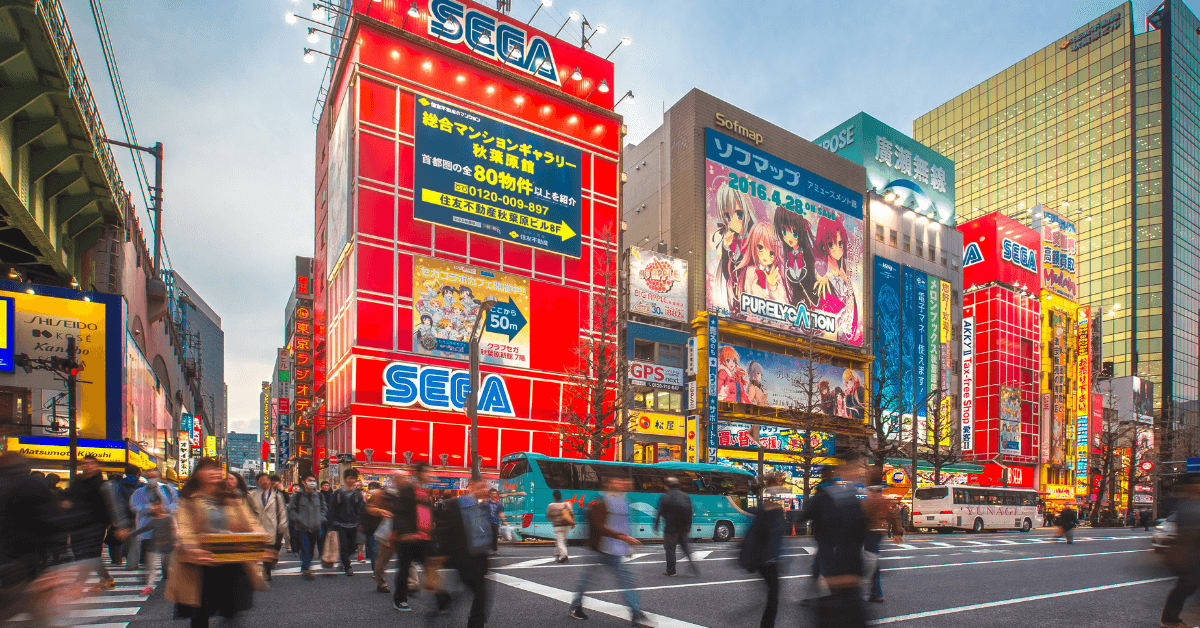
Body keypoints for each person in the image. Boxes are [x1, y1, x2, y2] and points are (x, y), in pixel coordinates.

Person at [166, 458, 267, 628]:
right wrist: (191, 546)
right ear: (198, 474)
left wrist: (261, 539)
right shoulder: (189, 499)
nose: (214, 472)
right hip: (201, 562)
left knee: (232, 610)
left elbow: (250, 521)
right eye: (208, 469)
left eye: (216, 469)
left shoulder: (231, 497)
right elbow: (184, 526)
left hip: (231, 559)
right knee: (200, 612)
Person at [569, 475, 654, 626]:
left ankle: (636, 613)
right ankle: (576, 606)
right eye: (617, 481)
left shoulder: (624, 501)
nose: (622, 483)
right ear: (608, 484)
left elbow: (622, 525)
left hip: (614, 550)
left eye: (622, 481)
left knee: (625, 581)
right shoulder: (601, 502)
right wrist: (624, 539)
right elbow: (600, 527)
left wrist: (625, 544)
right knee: (588, 580)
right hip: (599, 549)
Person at [799, 452, 868, 625]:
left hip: (831, 546)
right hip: (848, 561)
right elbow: (861, 531)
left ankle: (821, 593)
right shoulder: (846, 496)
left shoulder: (823, 493)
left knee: (825, 569)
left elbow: (805, 514)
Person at [0, 452, 64, 625]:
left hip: (11, 564)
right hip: (25, 565)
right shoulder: (32, 487)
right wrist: (52, 564)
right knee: (40, 615)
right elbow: (49, 525)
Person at [432, 478, 493, 627]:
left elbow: (483, 530)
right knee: (480, 592)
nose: (482, 490)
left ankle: (446, 602)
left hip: (478, 557)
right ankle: (473, 623)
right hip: (462, 556)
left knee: (474, 591)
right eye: (479, 487)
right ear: (470, 487)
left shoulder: (482, 506)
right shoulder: (456, 504)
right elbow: (443, 529)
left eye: (484, 487)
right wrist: (442, 553)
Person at [65, 455, 121, 591]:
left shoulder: (103, 484)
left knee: (90, 552)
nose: (87, 466)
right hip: (77, 523)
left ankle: (79, 583)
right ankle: (107, 579)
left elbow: (112, 504)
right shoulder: (77, 481)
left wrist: (117, 524)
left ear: (97, 466)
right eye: (85, 463)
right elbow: (69, 497)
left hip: (97, 523)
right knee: (80, 552)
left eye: (90, 463)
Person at [739, 472, 786, 628]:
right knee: (773, 595)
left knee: (772, 593)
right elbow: (773, 535)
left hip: (762, 558)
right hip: (768, 559)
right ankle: (766, 625)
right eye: (779, 483)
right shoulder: (774, 508)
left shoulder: (764, 507)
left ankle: (766, 624)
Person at [392, 463, 435, 610]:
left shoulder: (425, 491)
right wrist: (405, 533)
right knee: (404, 569)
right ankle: (400, 599)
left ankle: (442, 598)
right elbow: (399, 513)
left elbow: (427, 512)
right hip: (409, 537)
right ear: (419, 473)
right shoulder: (407, 490)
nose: (430, 475)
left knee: (430, 566)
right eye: (427, 472)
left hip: (424, 537)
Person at [1162, 473, 1200, 627]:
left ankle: (1170, 619)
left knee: (1186, 586)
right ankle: (1169, 619)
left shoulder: (1188, 503)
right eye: (1195, 484)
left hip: (1190, 552)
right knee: (1186, 585)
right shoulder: (1186, 505)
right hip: (1190, 552)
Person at [129, 466, 178, 579]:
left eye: (154, 476)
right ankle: (148, 576)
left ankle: (166, 575)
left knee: (166, 557)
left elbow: (176, 504)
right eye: (149, 477)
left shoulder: (168, 490)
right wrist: (148, 508)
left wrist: (164, 509)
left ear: (159, 477)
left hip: (165, 529)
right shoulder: (139, 492)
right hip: (147, 528)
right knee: (148, 556)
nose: (152, 479)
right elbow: (134, 506)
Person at [863, 471, 902, 603]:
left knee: (871, 561)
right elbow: (894, 515)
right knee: (873, 560)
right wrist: (897, 532)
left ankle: (875, 592)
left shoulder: (870, 500)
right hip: (880, 532)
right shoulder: (885, 501)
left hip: (870, 532)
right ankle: (875, 591)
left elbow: (861, 516)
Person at [130, 494, 176, 596]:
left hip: (167, 546)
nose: (151, 508)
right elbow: (144, 529)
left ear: (160, 506)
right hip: (154, 546)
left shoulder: (169, 518)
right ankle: (149, 587)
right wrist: (131, 534)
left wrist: (176, 542)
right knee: (151, 568)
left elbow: (175, 530)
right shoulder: (154, 520)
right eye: (151, 506)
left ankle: (174, 588)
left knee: (170, 568)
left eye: (154, 505)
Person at [366, 473, 403, 593]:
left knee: (407, 557)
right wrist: (381, 511)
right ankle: (381, 583)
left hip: (402, 530)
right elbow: (370, 508)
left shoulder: (406, 493)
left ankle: (412, 584)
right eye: (398, 478)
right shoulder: (382, 494)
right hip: (386, 529)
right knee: (383, 559)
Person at [248, 472, 288, 581]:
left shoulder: (276, 496)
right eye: (262, 480)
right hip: (256, 527)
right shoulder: (251, 495)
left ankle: (267, 570)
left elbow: (282, 512)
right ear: (257, 482)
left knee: (269, 550)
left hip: (271, 526)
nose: (265, 482)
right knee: (255, 550)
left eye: (267, 479)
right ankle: (254, 571)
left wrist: (282, 525)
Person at [654, 477, 697, 577]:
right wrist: (688, 526)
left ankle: (671, 571)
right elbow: (690, 512)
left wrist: (657, 525)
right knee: (685, 548)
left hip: (671, 528)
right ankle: (692, 564)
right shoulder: (686, 496)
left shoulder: (665, 496)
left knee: (670, 549)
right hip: (683, 528)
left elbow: (661, 512)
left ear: (666, 486)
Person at [288, 474, 326, 580]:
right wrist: (298, 518)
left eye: (314, 480)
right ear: (304, 482)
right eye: (310, 480)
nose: (312, 482)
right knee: (305, 548)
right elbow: (291, 510)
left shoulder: (319, 496)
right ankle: (306, 567)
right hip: (302, 528)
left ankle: (305, 566)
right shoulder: (297, 496)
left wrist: (321, 518)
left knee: (311, 549)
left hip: (315, 527)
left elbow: (324, 509)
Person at [328, 468, 365, 576]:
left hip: (354, 524)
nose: (351, 480)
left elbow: (361, 509)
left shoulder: (357, 494)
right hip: (340, 524)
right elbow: (332, 509)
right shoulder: (338, 493)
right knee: (343, 546)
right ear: (345, 479)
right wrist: (331, 525)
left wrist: (361, 522)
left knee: (352, 547)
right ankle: (347, 566)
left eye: (353, 478)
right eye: (349, 478)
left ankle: (345, 559)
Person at [546, 489, 575, 563]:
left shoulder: (551, 506)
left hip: (557, 526)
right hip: (565, 525)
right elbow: (572, 513)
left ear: (554, 497)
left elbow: (548, 516)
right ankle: (558, 554)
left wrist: (553, 518)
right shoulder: (566, 504)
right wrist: (573, 523)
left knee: (560, 541)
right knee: (561, 541)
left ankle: (564, 556)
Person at [487, 488, 507, 554]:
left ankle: (494, 550)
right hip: (487, 522)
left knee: (495, 536)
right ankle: (489, 549)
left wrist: (504, 521)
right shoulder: (486, 503)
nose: (494, 495)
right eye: (492, 494)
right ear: (490, 494)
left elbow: (500, 513)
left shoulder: (498, 503)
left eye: (495, 494)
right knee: (488, 536)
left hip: (495, 522)